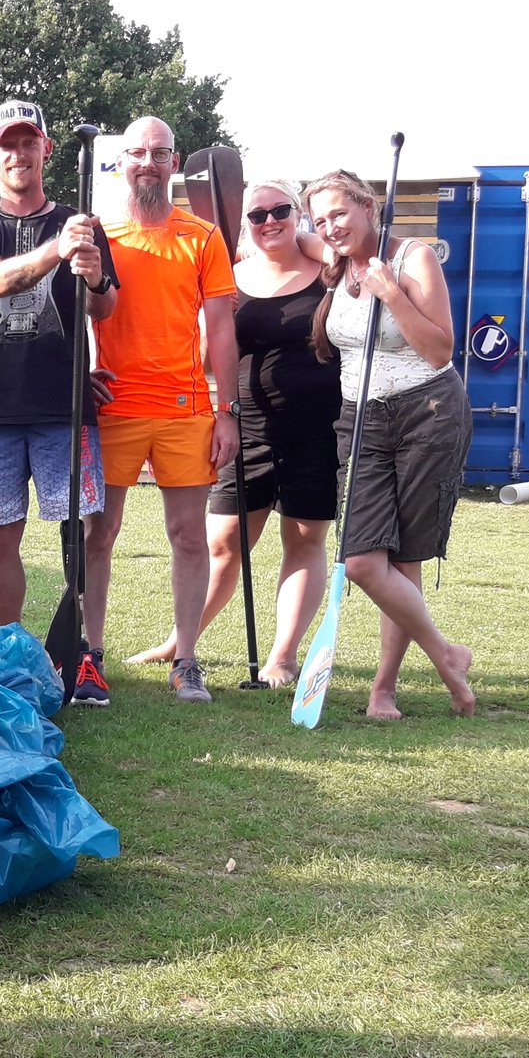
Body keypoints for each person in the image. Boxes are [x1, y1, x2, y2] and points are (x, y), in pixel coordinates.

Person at [128, 179, 339, 688]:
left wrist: (310, 241)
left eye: (280, 210)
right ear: (243, 225)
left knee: (303, 538)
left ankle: (282, 656)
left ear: (298, 214)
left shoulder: (328, 273)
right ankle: (182, 642)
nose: (270, 221)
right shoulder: (231, 277)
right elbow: (203, 350)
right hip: (245, 427)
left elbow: (333, 245)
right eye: (257, 215)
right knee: (222, 540)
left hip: (316, 428)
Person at [304, 168, 473, 719]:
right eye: (320, 218)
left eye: (338, 214)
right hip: (360, 419)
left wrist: (392, 294)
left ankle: (383, 689)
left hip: (427, 412)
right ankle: (446, 653)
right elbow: (277, 233)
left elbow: (441, 349)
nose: (329, 226)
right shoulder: (335, 264)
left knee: (403, 558)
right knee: (360, 560)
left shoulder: (412, 258)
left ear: (369, 207)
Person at [82, 117, 238, 705]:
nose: (148, 162)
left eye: (160, 153)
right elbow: (79, 313)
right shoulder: (98, 233)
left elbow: (220, 329)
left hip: (185, 408)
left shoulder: (202, 236)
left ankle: (187, 660)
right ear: (122, 161)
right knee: (100, 533)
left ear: (175, 164)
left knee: (188, 537)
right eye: (138, 153)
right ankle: (91, 656)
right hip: (115, 404)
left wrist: (228, 410)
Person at [0, 99, 117, 649]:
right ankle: (9, 650)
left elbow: (106, 308)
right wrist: (58, 249)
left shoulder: (85, 226)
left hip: (65, 406)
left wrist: (95, 279)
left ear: (47, 149)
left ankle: (85, 651)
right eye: (7, 144)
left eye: (29, 142)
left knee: (85, 534)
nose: (18, 153)